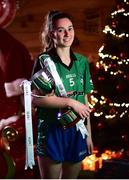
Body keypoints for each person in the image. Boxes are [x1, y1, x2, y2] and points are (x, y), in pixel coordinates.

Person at [31, 10, 93, 179]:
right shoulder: (44, 60)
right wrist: (70, 102)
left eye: (70, 28)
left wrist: (88, 135)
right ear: (52, 34)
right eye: (61, 30)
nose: (67, 34)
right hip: (51, 130)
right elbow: (36, 99)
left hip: (76, 130)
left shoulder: (82, 62)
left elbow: (84, 101)